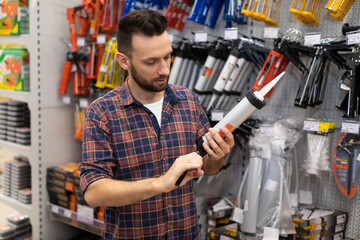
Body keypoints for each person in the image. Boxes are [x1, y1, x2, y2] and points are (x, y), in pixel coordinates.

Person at [79, 9, 234, 240]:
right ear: (124, 61)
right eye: (151, 62)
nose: (164, 69)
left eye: (167, 57)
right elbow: (94, 192)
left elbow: (210, 168)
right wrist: (161, 183)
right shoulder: (102, 112)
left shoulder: (188, 101)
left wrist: (218, 154)